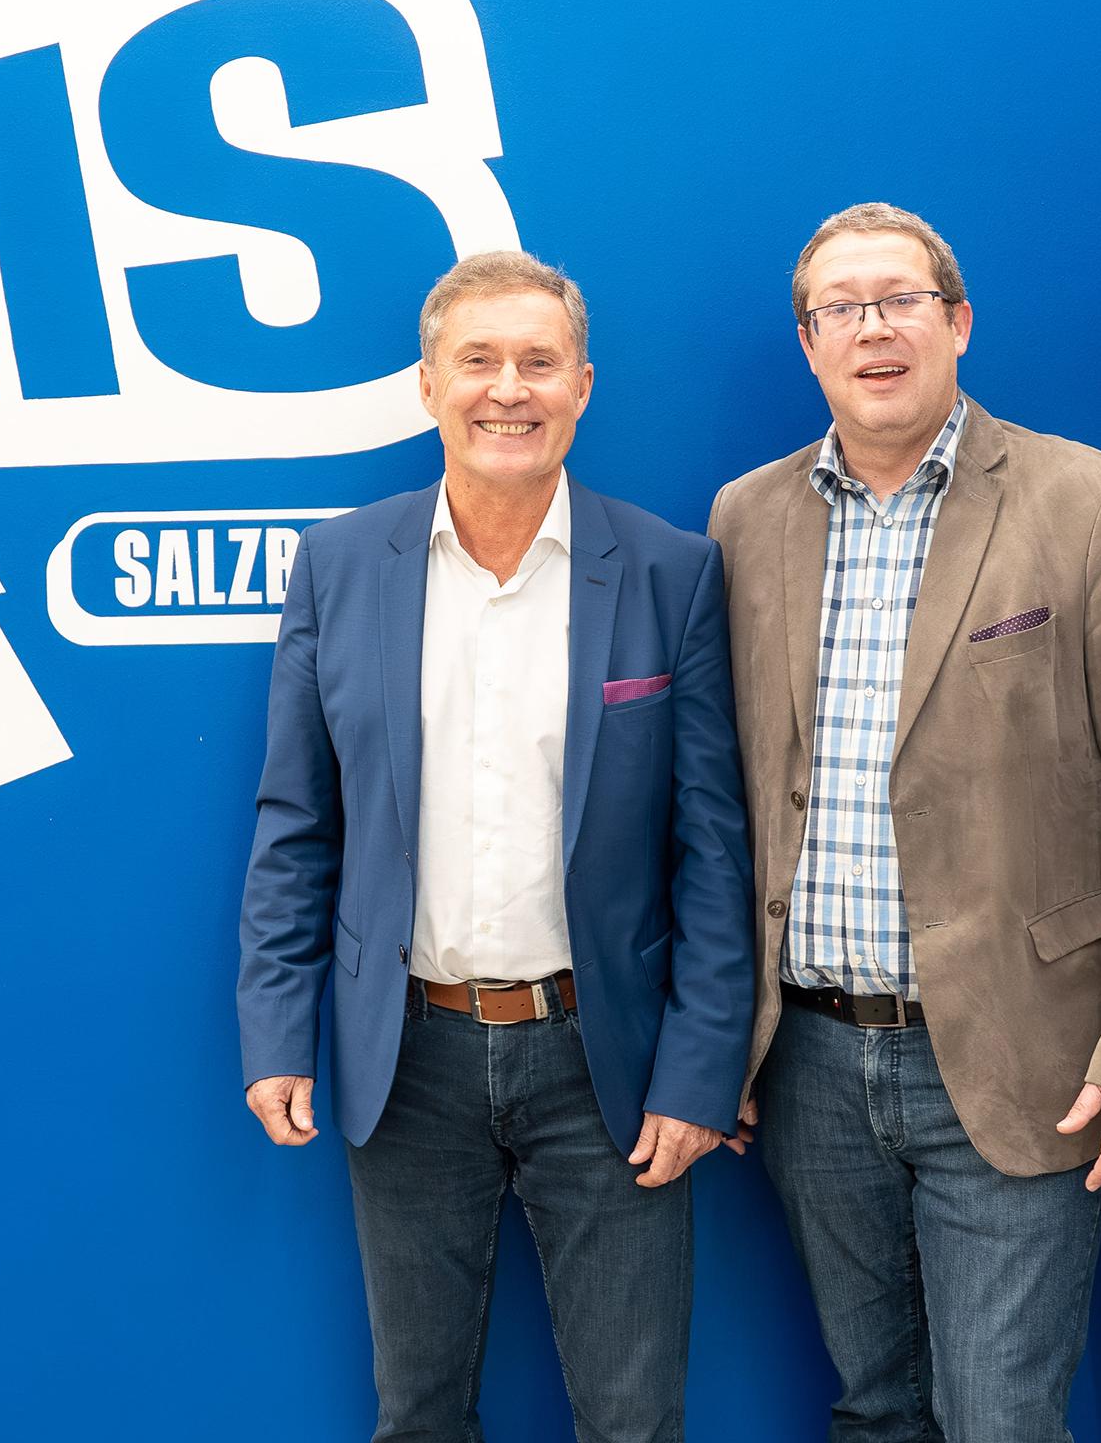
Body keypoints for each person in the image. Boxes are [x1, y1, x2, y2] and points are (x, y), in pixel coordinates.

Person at [707, 202, 1101, 1443]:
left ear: (958, 323)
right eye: (840, 308)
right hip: (809, 1064)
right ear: (808, 344)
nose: (872, 329)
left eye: (902, 300)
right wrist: (722, 1039)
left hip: (1016, 1050)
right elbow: (722, 800)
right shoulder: (745, 520)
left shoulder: (1086, 501)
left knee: (999, 1421)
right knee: (874, 1411)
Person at [237, 250, 755, 1443]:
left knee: (633, 1421)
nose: (507, 390)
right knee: (417, 1414)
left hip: (605, 1062)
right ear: (427, 386)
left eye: (537, 362)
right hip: (403, 1058)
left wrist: (698, 1070)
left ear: (582, 385)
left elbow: (712, 851)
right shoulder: (338, 566)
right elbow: (296, 825)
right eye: (476, 361)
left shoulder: (669, 571)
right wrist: (275, 1029)